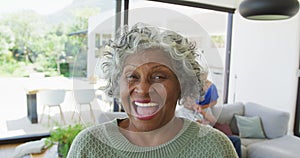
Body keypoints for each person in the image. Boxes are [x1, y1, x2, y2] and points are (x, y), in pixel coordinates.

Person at [67, 23, 238, 158]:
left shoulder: (215, 147)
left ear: (182, 85)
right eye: (132, 76)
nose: (143, 89)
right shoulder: (88, 146)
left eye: (158, 77)